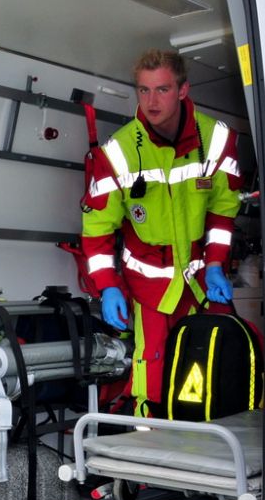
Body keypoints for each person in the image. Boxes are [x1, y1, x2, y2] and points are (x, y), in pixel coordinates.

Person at [81, 49, 242, 415]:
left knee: (215, 363)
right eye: (143, 91)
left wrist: (216, 263)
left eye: (162, 90)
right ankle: (149, 459)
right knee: (151, 376)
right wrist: (107, 285)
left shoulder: (216, 139)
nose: (152, 102)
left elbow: (223, 210)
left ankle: (209, 443)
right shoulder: (118, 151)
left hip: (200, 281)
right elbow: (96, 229)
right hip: (150, 287)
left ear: (183, 90)